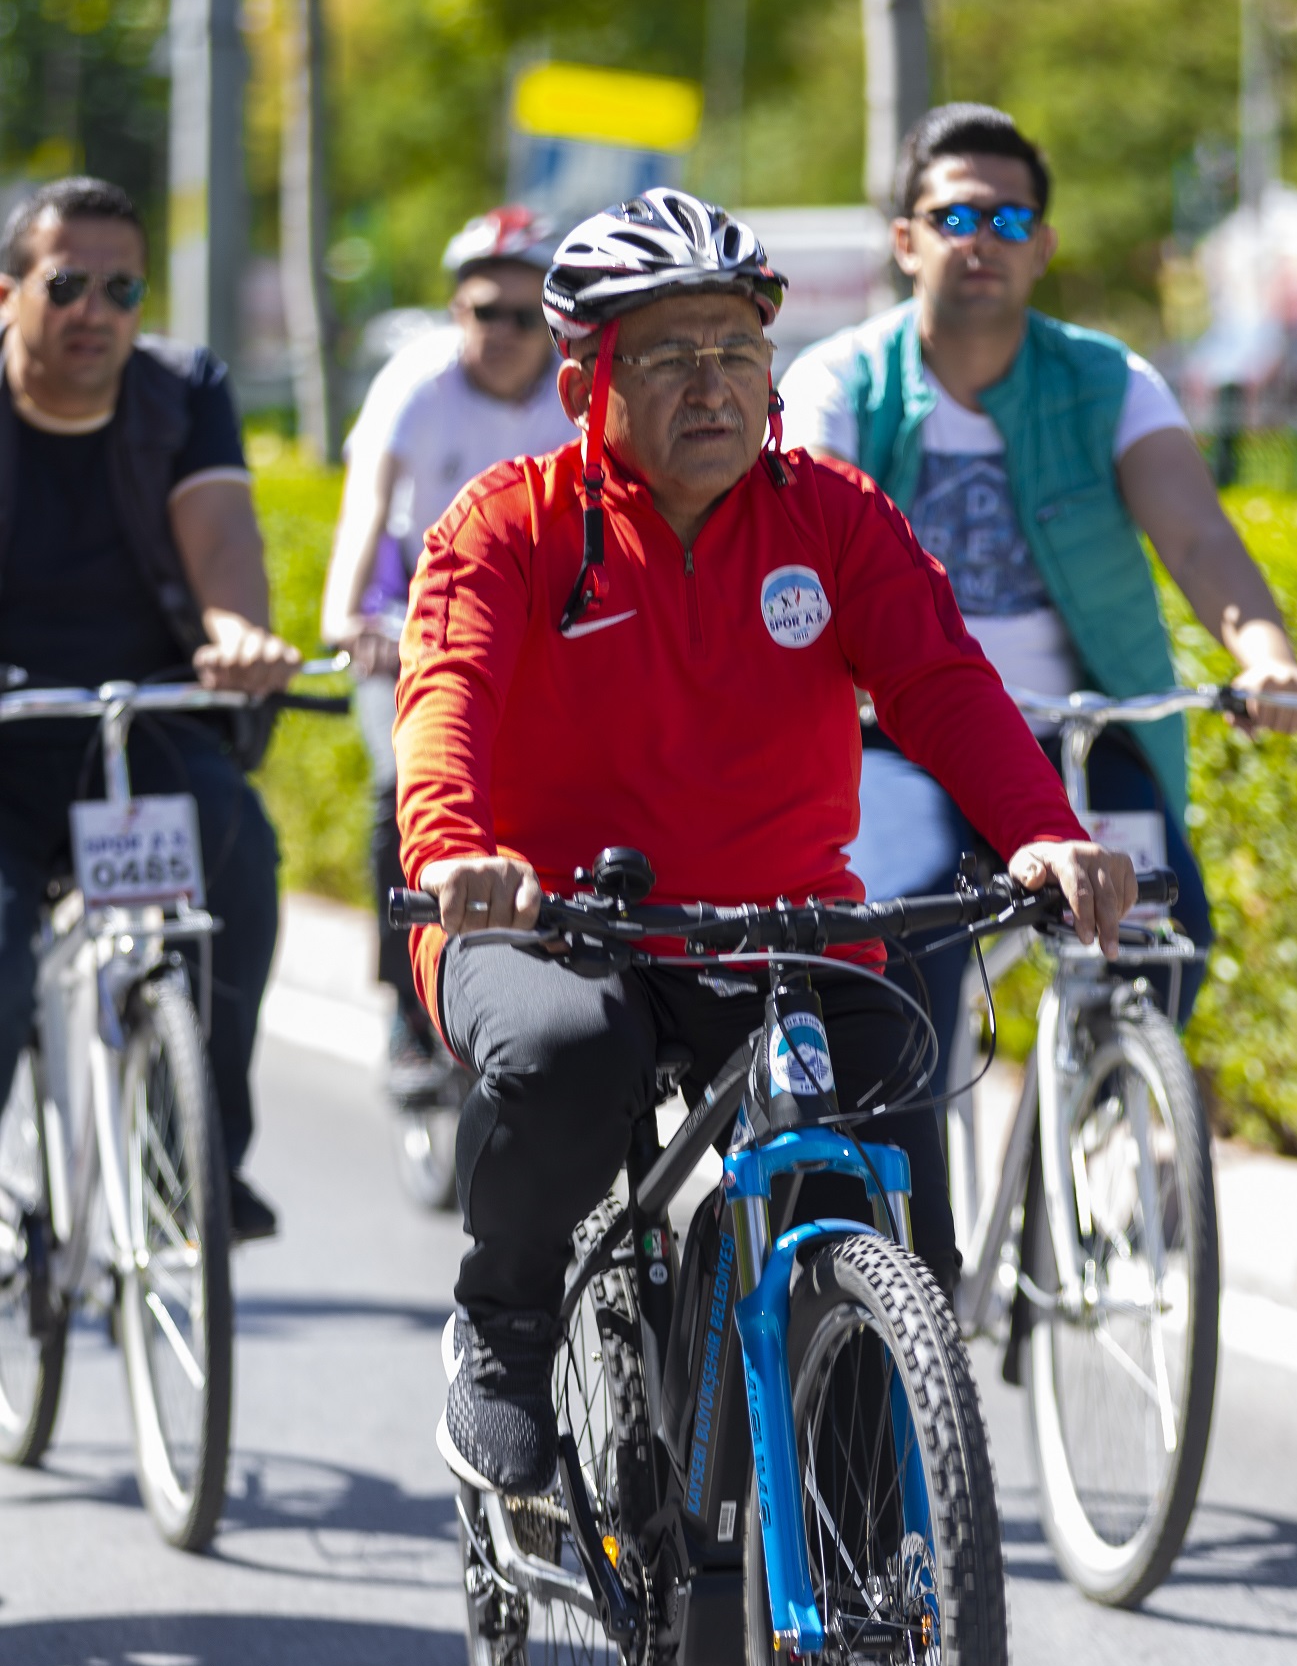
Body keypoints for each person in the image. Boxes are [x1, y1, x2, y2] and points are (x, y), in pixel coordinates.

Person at [392, 188, 1136, 1495]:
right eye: (671, 357)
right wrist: (456, 852)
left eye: (738, 352)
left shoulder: (833, 516)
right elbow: (443, 696)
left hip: (782, 915)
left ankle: (862, 1578)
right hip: (553, 920)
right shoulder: (505, 525)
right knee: (569, 1054)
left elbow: (945, 687)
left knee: (883, 1091)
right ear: (585, 381)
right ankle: (502, 1329)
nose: (714, 386)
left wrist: (1041, 834)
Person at [777, 101, 1297, 1075]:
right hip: (902, 736)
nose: (982, 239)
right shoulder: (840, 384)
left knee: (1164, 944)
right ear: (905, 241)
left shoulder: (1112, 382)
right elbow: (807, 537)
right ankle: (912, 1202)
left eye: (1010, 220)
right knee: (900, 941)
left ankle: (1104, 1133)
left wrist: (1267, 658)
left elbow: (1197, 539)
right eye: (954, 217)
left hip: (1080, 731)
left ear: (1044, 247)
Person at [0, 176, 297, 1239]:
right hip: (7, 739)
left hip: (140, 726)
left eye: (121, 288)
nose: (96, 311)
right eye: (66, 282)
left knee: (238, 869)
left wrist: (237, 635)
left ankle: (192, 1159)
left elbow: (220, 540)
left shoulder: (182, 389)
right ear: (9, 293)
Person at [320, 207, 568, 1086]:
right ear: (454, 311)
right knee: (406, 796)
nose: (497, 333)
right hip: (412, 620)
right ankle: (402, 1005)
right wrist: (345, 615)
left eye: (521, 315)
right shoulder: (414, 382)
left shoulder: (578, 392)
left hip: (539, 628)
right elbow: (364, 510)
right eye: (478, 311)